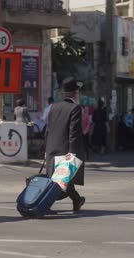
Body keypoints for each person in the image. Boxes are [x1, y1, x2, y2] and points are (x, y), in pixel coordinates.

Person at [45, 78, 86, 212]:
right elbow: (73, 132)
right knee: (63, 180)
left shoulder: (53, 107)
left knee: (57, 179)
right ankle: (47, 203)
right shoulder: (75, 108)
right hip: (65, 149)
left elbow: (48, 129)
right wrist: (72, 151)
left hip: (52, 148)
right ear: (75, 93)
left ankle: (76, 200)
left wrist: (46, 148)